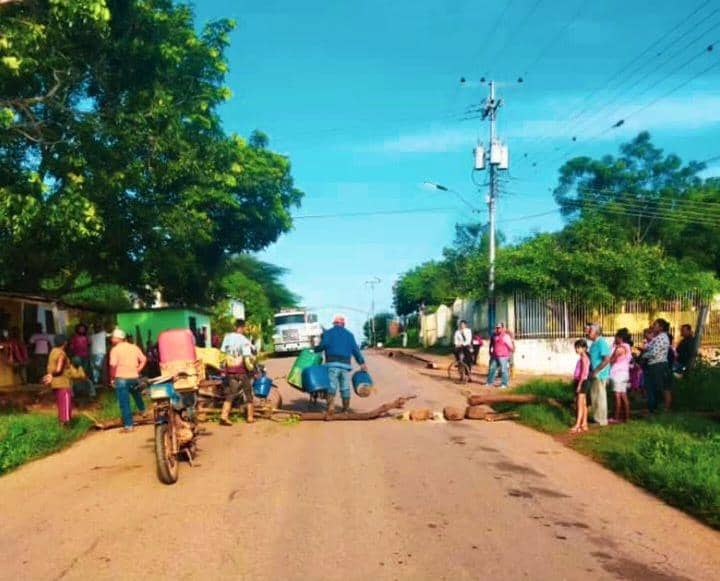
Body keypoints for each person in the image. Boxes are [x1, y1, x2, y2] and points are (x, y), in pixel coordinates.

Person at [314, 314, 367, 415]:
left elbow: (323, 345)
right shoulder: (349, 335)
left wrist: (315, 349)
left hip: (332, 364)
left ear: (334, 324)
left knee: (331, 386)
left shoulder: (328, 333)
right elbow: (356, 350)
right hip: (345, 365)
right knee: (345, 387)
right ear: (344, 324)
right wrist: (362, 363)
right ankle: (345, 409)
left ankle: (331, 407)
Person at [109, 328, 147, 432]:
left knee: (124, 403)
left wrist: (112, 378)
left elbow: (113, 365)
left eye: (113, 337)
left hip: (121, 378)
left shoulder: (115, 350)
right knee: (136, 394)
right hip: (134, 377)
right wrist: (138, 369)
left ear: (118, 338)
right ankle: (143, 410)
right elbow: (143, 359)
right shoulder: (134, 347)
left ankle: (129, 425)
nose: (111, 339)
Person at [43, 335, 86, 426]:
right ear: (65, 343)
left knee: (60, 404)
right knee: (66, 404)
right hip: (63, 383)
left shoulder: (53, 351)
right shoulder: (61, 354)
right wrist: (52, 374)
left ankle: (61, 423)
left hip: (55, 383)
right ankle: (66, 425)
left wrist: (50, 375)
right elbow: (59, 369)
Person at [219, 319, 255, 426]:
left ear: (235, 327)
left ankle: (224, 416)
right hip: (242, 371)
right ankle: (250, 417)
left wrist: (222, 368)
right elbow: (247, 357)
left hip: (230, 371)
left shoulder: (227, 337)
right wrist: (252, 369)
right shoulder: (244, 340)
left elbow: (222, 354)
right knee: (248, 393)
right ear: (242, 328)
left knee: (231, 393)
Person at [594, 328, 632, 424]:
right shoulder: (627, 347)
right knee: (623, 396)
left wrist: (603, 363)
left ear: (620, 337)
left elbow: (611, 360)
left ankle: (616, 417)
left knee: (617, 396)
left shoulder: (619, 349)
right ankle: (626, 418)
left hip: (618, 374)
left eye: (616, 336)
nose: (615, 338)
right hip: (624, 373)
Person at [641, 318, 671, 413]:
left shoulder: (662, 337)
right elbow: (648, 347)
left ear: (661, 327)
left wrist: (644, 355)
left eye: (655, 325)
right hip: (654, 365)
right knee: (653, 387)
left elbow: (653, 353)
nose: (653, 326)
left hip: (658, 365)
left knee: (659, 387)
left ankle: (661, 409)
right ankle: (654, 409)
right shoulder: (657, 337)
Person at [587, 324, 611, 426]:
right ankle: (597, 418)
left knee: (600, 397)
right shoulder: (593, 344)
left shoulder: (601, 342)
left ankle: (601, 420)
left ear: (596, 332)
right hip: (594, 373)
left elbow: (606, 359)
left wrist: (595, 371)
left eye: (590, 331)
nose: (587, 333)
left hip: (600, 374)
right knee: (595, 397)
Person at [571, 339, 590, 433]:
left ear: (584, 348)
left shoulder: (584, 358)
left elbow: (584, 373)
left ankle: (578, 424)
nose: (577, 349)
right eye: (576, 347)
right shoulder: (582, 358)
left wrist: (579, 385)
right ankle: (584, 423)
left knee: (580, 404)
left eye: (579, 347)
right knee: (583, 404)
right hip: (582, 382)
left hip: (582, 382)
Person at [486, 323, 514, 389]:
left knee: (504, 370)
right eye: (497, 328)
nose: (498, 329)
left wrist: (510, 354)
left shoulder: (506, 336)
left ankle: (504, 384)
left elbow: (510, 346)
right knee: (492, 369)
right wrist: (490, 350)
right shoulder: (494, 336)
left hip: (503, 356)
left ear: (502, 328)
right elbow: (492, 344)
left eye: (499, 328)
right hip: (495, 355)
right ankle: (489, 382)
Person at [69, 323, 94, 397]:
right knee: (77, 373)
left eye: (83, 328)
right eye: (80, 328)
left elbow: (89, 345)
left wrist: (89, 355)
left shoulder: (86, 337)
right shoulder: (74, 337)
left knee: (84, 372)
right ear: (77, 329)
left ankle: (85, 389)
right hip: (77, 357)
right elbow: (71, 347)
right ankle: (76, 389)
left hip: (85, 356)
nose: (81, 330)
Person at [90, 323, 108, 387]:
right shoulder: (92, 336)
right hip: (94, 354)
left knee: (102, 369)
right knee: (95, 369)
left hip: (101, 353)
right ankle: (97, 382)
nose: (97, 328)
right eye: (96, 327)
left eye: (98, 327)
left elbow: (106, 332)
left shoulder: (103, 333)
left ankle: (104, 383)